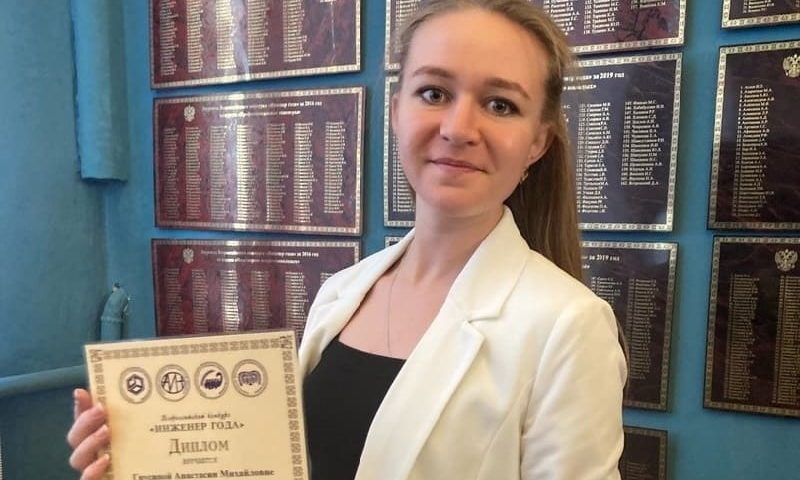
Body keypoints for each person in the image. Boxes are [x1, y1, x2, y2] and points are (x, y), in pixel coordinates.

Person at [68, 0, 627, 478]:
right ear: (398, 109)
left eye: (500, 104)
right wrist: (148, 456)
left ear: (537, 143)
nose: (458, 128)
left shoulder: (569, 326)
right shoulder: (342, 292)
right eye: (434, 92)